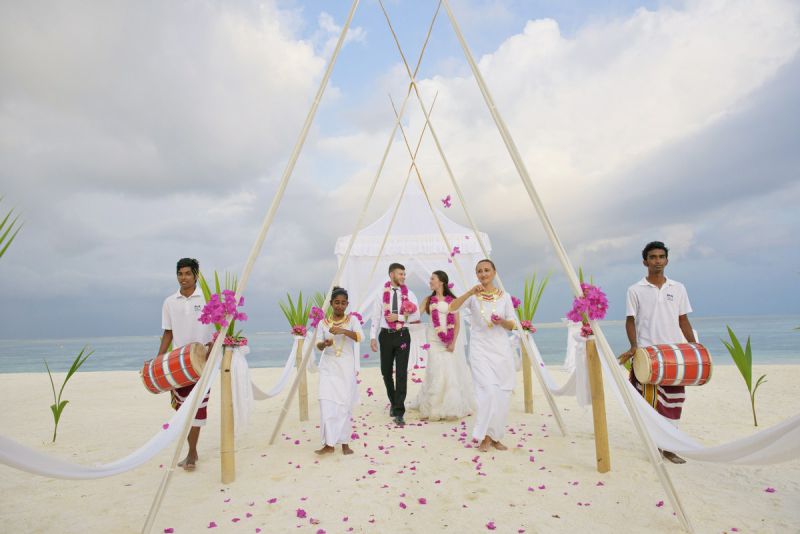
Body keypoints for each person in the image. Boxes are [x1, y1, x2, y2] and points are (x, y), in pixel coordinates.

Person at [619, 241, 696, 464]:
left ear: (667, 261)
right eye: (652, 257)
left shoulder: (678, 288)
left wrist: (694, 347)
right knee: (650, 402)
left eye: (661, 257)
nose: (657, 261)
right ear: (645, 262)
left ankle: (669, 447)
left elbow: (683, 320)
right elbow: (630, 320)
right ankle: (654, 445)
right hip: (647, 355)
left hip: (674, 354)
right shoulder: (635, 290)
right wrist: (634, 346)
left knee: (674, 401)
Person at [450, 259, 516, 452]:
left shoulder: (505, 297)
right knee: (487, 391)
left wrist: (501, 321)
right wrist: (470, 292)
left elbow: (512, 324)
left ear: (494, 272)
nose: (483, 274)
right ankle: (484, 436)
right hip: (479, 350)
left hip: (501, 350)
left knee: (501, 393)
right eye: (479, 271)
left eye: (487, 270)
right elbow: (452, 307)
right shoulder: (473, 296)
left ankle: (495, 436)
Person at [157, 258, 214, 471]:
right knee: (183, 409)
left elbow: (219, 326)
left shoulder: (208, 298)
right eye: (180, 274)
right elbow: (168, 333)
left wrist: (213, 348)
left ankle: (192, 452)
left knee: (198, 407)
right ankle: (192, 450)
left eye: (188, 273)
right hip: (178, 363)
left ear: (196, 275)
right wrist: (159, 358)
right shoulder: (170, 302)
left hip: (202, 361)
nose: (184, 278)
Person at [413, 270, 476, 421]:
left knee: (449, 371)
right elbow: (416, 315)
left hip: (448, 341)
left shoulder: (452, 300)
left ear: (441, 281)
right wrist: (408, 311)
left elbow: (457, 324)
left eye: (432, 279)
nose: (430, 281)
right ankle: (434, 408)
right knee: (435, 369)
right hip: (433, 339)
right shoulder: (428, 300)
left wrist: (453, 342)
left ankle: (450, 407)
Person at [369, 263, 420, 426]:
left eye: (404, 274)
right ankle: (393, 401)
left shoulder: (410, 294)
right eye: (400, 274)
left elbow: (416, 316)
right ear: (391, 274)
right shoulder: (380, 293)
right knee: (385, 371)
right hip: (385, 336)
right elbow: (376, 317)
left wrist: (398, 317)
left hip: (403, 335)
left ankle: (399, 411)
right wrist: (372, 337)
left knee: (401, 373)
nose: (403, 276)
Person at [314, 287, 362, 456]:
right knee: (326, 403)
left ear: (347, 304)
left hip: (346, 367)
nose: (340, 306)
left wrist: (343, 331)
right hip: (328, 367)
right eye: (337, 302)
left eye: (343, 303)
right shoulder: (323, 323)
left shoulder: (352, 320)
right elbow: (318, 345)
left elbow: (359, 337)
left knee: (344, 405)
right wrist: (324, 344)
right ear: (331, 303)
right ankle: (329, 444)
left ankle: (344, 443)